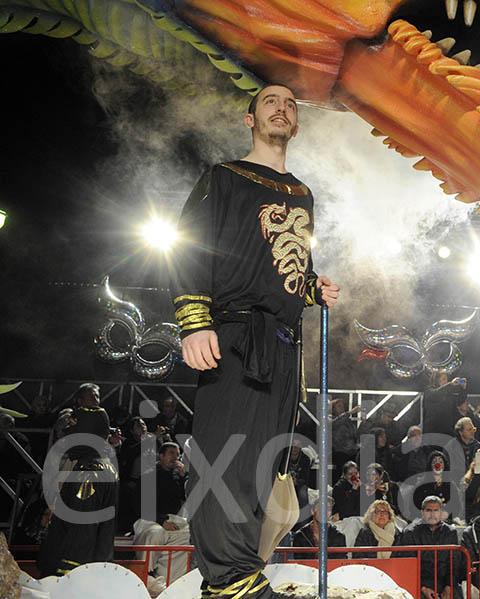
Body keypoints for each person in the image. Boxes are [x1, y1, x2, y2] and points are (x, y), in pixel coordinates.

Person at [170, 83, 340, 599]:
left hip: (285, 345)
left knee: (265, 464)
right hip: (235, 334)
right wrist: (194, 320)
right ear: (250, 120)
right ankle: (228, 579)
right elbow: (186, 246)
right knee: (228, 458)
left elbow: (282, 268)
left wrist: (312, 287)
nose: (281, 108)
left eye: (290, 104)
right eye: (270, 101)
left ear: (297, 122)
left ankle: (238, 571)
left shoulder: (303, 194)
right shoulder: (224, 177)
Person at [37, 383, 117, 577]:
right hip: (86, 473)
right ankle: (90, 571)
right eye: (91, 397)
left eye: (97, 397)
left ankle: (73, 573)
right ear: (79, 400)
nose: (95, 401)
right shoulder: (74, 418)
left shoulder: (92, 415)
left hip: (88, 476)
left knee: (82, 526)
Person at [132, 441, 191, 595]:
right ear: (161, 455)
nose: (175, 457)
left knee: (187, 535)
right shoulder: (148, 475)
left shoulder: (178, 477)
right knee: (156, 532)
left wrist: (185, 477)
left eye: (177, 454)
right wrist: (161, 520)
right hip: (148, 521)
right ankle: (148, 575)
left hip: (171, 520)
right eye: (171, 453)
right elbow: (140, 506)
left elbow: (186, 496)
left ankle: (173, 581)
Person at [397, 495, 466, 599]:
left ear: (441, 512)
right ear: (422, 512)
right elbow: (407, 565)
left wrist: (449, 586)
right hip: (420, 583)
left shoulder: (450, 532)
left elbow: (454, 562)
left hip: (444, 581)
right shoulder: (410, 532)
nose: (432, 514)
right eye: (429, 510)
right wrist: (422, 587)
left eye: (436, 510)